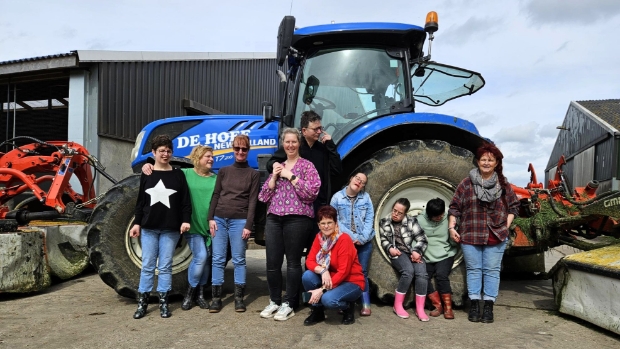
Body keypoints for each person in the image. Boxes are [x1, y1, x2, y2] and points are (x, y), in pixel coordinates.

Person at [448, 143, 519, 323]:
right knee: (473, 270)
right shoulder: (466, 183)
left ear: (496, 163)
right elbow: (454, 207)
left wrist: (505, 225)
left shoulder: (503, 184)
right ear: (478, 161)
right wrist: (451, 227)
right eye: (483, 159)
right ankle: (474, 304)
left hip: (495, 234)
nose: (486, 163)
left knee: (492, 271)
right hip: (470, 234)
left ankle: (488, 307)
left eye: (490, 160)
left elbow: (514, 206)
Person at [142, 145, 217, 311]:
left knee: (206, 262)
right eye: (208, 156)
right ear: (198, 158)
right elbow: (164, 172)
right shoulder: (184, 174)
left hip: (210, 226)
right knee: (201, 256)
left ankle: (200, 295)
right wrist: (148, 165)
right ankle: (189, 294)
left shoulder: (215, 178)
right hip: (192, 224)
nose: (211, 159)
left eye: (212, 156)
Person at [258, 128, 320, 321]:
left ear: (299, 143)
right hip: (274, 218)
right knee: (272, 263)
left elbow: (311, 193)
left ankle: (289, 303)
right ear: (283, 144)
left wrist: (290, 176)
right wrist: (275, 176)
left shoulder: (307, 166)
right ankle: (274, 301)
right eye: (287, 142)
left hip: (297, 219)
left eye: (294, 142)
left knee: (293, 263)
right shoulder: (278, 166)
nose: (290, 145)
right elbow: (263, 196)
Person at [130, 134, 191, 319]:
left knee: (165, 266)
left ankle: (164, 303)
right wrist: (136, 223)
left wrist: (185, 220)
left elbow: (185, 201)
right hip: (149, 227)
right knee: (148, 265)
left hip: (171, 228)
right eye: (162, 151)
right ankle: (143, 303)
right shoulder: (147, 173)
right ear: (154, 153)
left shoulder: (178, 174)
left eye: (168, 150)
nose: (165, 154)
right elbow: (141, 201)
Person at [207, 134, 260, 313]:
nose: (240, 152)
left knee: (239, 259)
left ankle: (239, 298)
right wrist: (210, 218)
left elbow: (253, 201)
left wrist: (248, 225)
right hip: (219, 218)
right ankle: (216, 298)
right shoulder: (223, 171)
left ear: (248, 151)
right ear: (233, 149)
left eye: (244, 149)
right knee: (218, 259)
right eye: (237, 148)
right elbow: (216, 195)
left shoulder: (253, 174)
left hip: (240, 221)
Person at [302, 205, 365, 326]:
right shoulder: (319, 238)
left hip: (351, 281)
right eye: (323, 223)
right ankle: (318, 311)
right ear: (319, 225)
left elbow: (344, 271)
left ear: (336, 223)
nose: (326, 226)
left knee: (328, 300)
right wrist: (323, 271)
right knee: (307, 276)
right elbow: (309, 261)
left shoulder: (344, 239)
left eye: (329, 222)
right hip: (331, 277)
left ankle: (347, 307)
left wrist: (321, 290)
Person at [330, 171, 375, 316]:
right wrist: (352, 237)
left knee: (362, 272)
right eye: (357, 178)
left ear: (363, 187)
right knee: (343, 271)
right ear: (351, 178)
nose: (359, 182)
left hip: (364, 241)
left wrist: (362, 238)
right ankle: (342, 302)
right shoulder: (337, 198)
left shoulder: (366, 198)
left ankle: (365, 303)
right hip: (345, 242)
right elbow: (335, 221)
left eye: (363, 182)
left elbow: (369, 219)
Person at [379, 198, 429, 321]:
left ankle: (420, 309)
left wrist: (417, 251)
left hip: (411, 251)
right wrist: (390, 248)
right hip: (397, 253)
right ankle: (397, 305)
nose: (395, 214)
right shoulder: (384, 222)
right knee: (408, 272)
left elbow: (422, 238)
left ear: (405, 213)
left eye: (399, 213)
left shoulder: (412, 221)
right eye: (394, 210)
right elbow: (383, 239)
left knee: (422, 273)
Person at [417, 197, 458, 319]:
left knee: (441, 275)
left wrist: (455, 240)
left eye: (441, 215)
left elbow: (453, 239)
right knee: (423, 277)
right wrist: (417, 253)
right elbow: (415, 238)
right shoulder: (419, 220)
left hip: (445, 254)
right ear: (429, 215)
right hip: (427, 255)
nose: (439, 218)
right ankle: (438, 305)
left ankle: (448, 308)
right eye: (436, 217)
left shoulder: (448, 219)